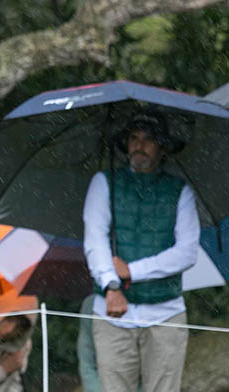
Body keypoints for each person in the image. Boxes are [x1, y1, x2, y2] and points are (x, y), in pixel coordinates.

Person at [83, 110, 199, 392]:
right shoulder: (103, 182)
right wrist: (111, 284)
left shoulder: (180, 191)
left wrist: (132, 270)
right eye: (134, 138)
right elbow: (94, 240)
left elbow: (187, 252)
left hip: (165, 314)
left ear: (162, 148)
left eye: (148, 140)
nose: (139, 145)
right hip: (112, 315)